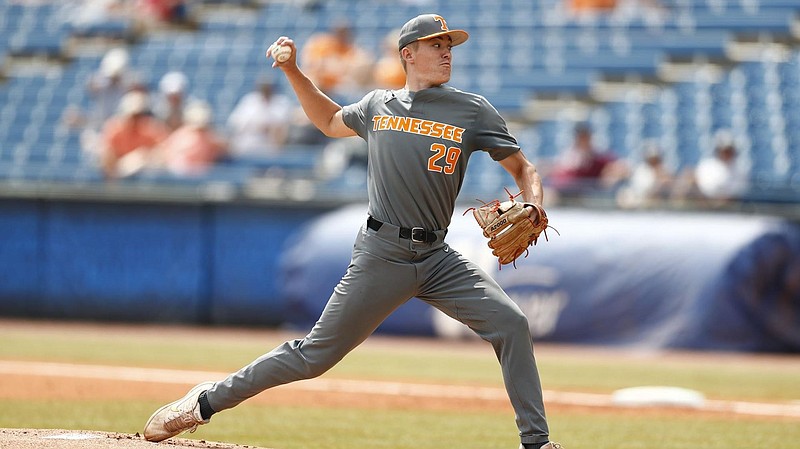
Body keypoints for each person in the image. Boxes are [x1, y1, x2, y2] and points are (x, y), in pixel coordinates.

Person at [143, 14, 562, 449]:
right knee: (313, 357)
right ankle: (202, 403)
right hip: (382, 254)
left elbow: (523, 168)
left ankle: (536, 442)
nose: (446, 52)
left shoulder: (472, 109)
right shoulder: (378, 105)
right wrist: (292, 70)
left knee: (511, 323)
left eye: (449, 45)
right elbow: (327, 122)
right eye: (436, 45)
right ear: (408, 54)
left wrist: (533, 201)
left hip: (438, 257)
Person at [99, 90, 169, 179]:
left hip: (145, 176)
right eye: (133, 115)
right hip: (117, 175)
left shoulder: (152, 128)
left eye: (140, 115)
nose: (137, 118)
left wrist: (144, 156)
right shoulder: (114, 128)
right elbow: (107, 157)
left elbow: (163, 154)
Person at [300, 20, 373, 102]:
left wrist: (331, 66)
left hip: (343, 90)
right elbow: (311, 65)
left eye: (345, 33)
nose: (342, 36)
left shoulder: (354, 51)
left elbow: (359, 69)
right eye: (339, 32)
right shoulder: (322, 44)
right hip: (322, 88)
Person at [153, 99, 227, 176]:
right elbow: (165, 153)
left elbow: (226, 148)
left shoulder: (211, 138)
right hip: (178, 176)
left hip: (200, 178)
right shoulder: (180, 135)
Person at [225, 76, 293, 157]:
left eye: (268, 87)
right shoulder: (250, 100)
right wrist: (258, 126)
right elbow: (234, 122)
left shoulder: (282, 101)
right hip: (247, 142)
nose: (266, 90)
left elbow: (282, 124)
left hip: (271, 145)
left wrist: (265, 126)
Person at [549, 123, 620, 197]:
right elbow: (558, 178)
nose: (583, 140)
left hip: (591, 194)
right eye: (581, 137)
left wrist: (610, 175)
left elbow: (618, 167)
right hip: (568, 194)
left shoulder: (597, 155)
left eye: (586, 136)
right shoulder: (567, 157)